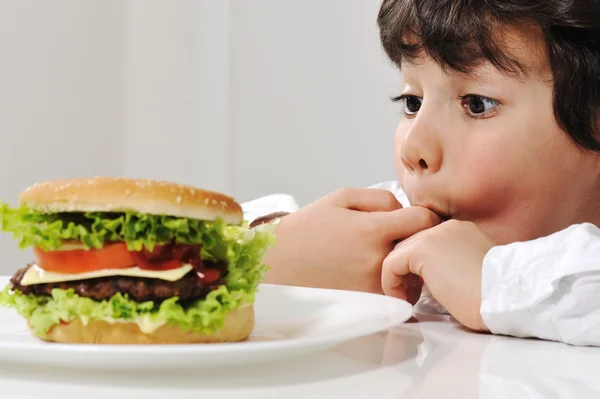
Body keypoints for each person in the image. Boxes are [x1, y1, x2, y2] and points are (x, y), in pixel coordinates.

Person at [246, 0, 600, 347]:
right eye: (412, 102)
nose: (413, 148)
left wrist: (494, 284)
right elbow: (216, 229)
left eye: (477, 104)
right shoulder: (394, 224)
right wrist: (261, 256)